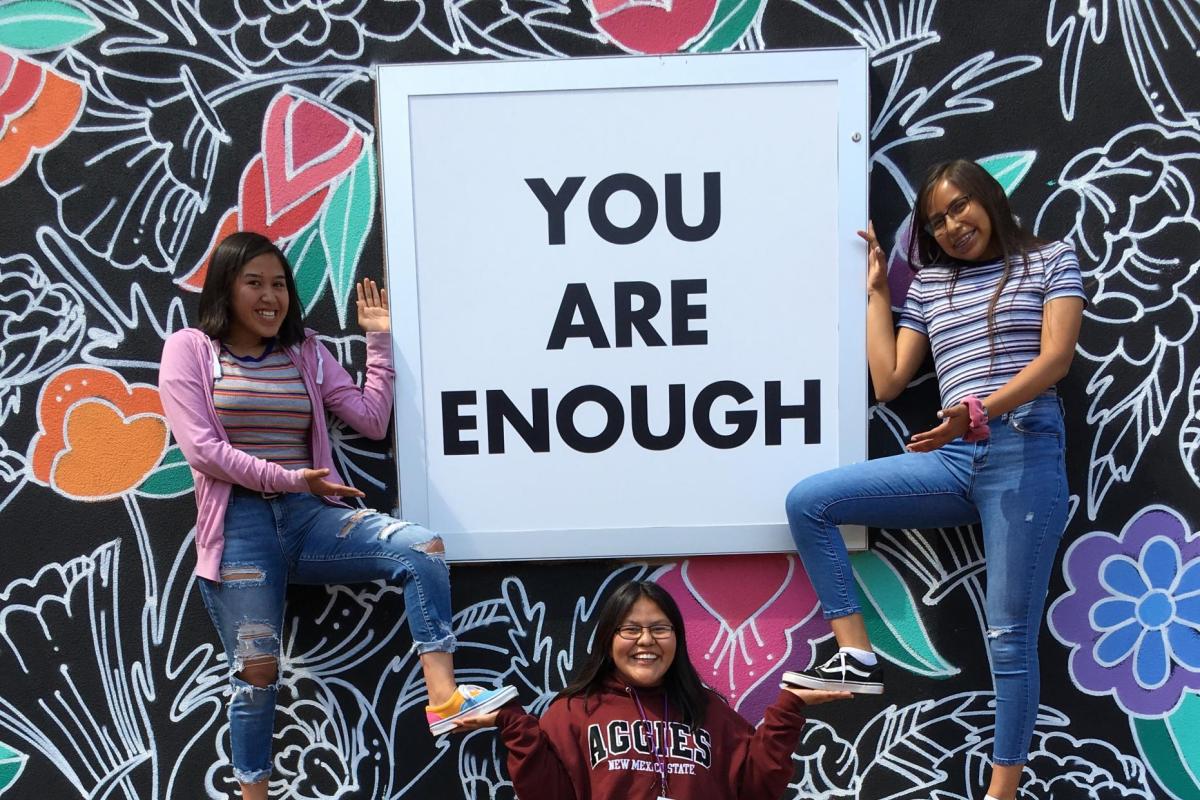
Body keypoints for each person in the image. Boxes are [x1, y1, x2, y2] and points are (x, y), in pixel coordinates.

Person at [158, 231, 515, 799]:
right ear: (227, 288)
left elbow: (371, 419)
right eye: (255, 283)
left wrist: (378, 342)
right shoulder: (190, 350)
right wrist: (287, 477)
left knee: (420, 547)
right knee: (257, 675)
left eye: (279, 284)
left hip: (310, 518)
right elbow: (204, 452)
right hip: (240, 531)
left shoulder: (305, 351)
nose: (271, 296)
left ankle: (444, 696)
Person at [780, 159, 1086, 800]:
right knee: (810, 501)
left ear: (988, 200)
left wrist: (975, 411)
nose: (951, 226)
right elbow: (890, 381)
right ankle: (857, 655)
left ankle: (1001, 793)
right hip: (951, 460)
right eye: (936, 221)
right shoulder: (930, 288)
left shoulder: (1051, 259)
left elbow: (1056, 358)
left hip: (1023, 457)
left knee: (1007, 639)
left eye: (959, 208)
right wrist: (878, 294)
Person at [456, 579, 850, 799]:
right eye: (630, 629)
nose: (646, 641)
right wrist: (511, 722)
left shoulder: (709, 712)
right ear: (609, 640)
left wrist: (789, 708)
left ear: (676, 639)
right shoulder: (574, 712)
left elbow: (756, 789)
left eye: (660, 629)